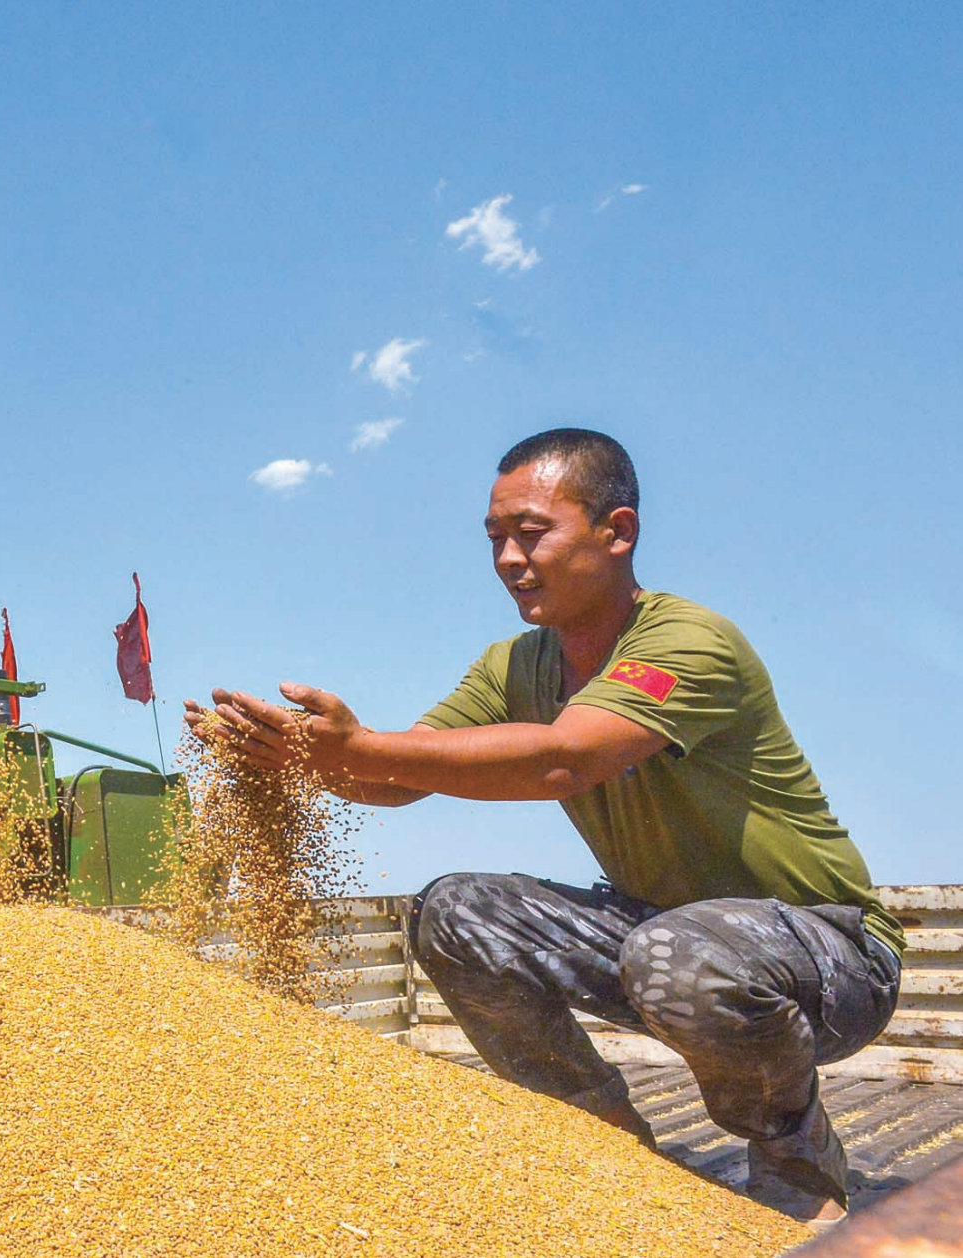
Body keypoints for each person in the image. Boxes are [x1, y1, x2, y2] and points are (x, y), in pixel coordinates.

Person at [187, 428, 901, 1222]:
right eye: (495, 539)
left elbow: (564, 761)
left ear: (616, 531)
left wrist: (357, 747)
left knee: (682, 954)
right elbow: (400, 775)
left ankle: (799, 1165)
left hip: (828, 957)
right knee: (453, 912)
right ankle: (606, 1140)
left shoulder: (688, 641)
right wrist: (295, 759)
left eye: (532, 533)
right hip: (660, 943)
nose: (507, 560)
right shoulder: (515, 666)